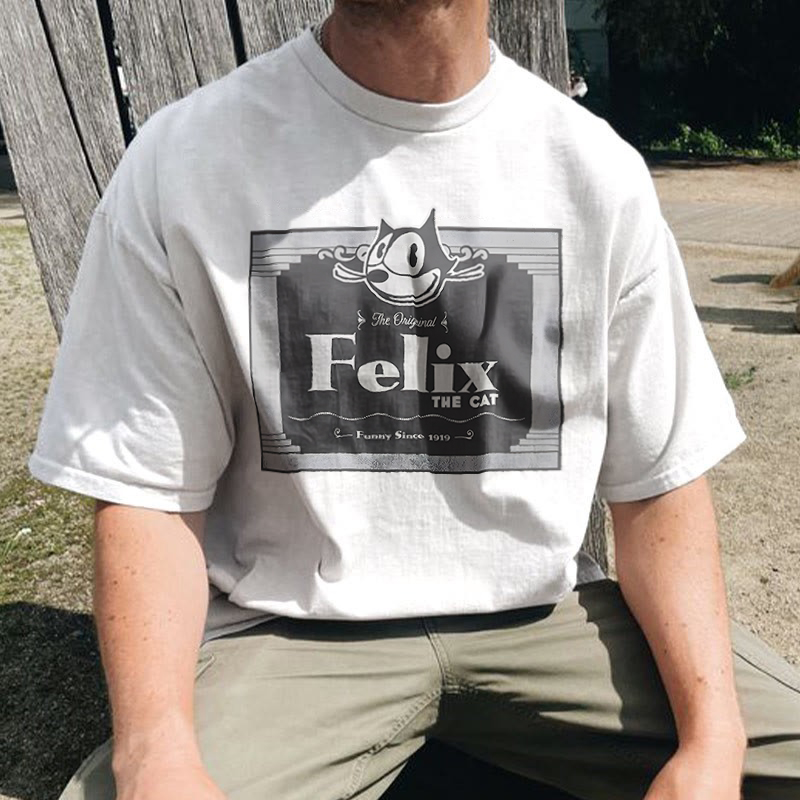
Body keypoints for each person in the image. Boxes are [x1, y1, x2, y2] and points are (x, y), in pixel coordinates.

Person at [29, 0, 800, 798]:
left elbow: (659, 484)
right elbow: (147, 491)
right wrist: (155, 754)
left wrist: (713, 740)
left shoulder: (594, 173)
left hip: (547, 621)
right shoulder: (186, 163)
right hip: (291, 637)